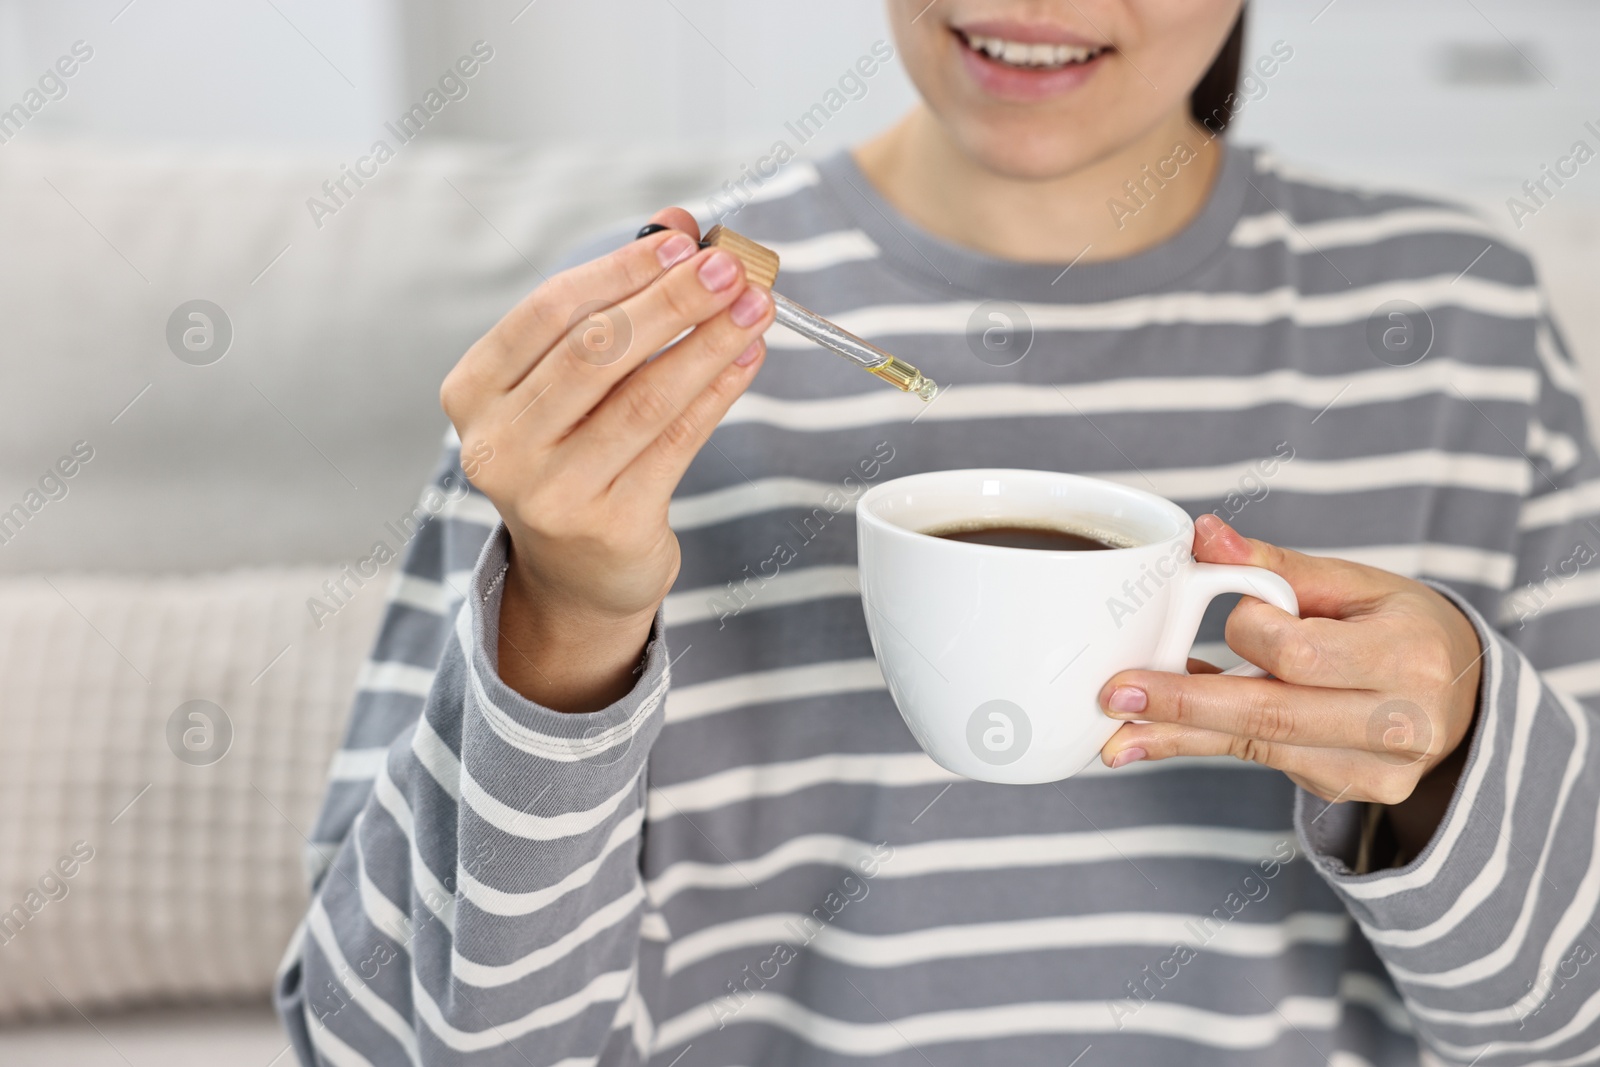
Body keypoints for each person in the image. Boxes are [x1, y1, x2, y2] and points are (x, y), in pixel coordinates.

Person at [274, 2, 1600, 1063]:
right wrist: (566, 615)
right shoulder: (615, 357)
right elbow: (378, 1042)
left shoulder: (1460, 323)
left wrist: (1456, 762)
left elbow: (1563, 1019)